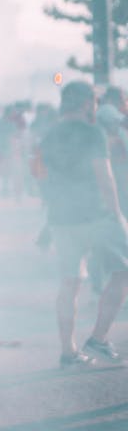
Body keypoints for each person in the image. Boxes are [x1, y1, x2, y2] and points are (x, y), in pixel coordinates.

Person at [40, 81, 128, 367]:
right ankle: (99, 338)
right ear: (86, 103)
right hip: (96, 216)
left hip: (61, 218)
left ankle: (68, 351)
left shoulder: (49, 134)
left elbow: (40, 176)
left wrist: (48, 216)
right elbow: (105, 178)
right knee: (122, 271)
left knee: (69, 283)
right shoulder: (93, 134)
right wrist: (117, 214)